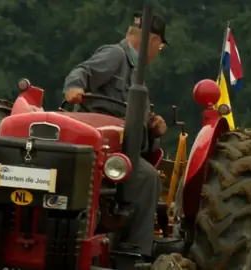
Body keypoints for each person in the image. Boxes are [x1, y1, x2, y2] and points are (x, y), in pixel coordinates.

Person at [62, 12, 169, 258]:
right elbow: (82, 72)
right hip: (102, 147)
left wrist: (153, 123)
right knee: (148, 177)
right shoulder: (115, 55)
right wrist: (74, 88)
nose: (158, 52)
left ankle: (117, 236)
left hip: (123, 148)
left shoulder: (136, 75)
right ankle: (135, 252)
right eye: (160, 46)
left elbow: (132, 116)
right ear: (152, 41)